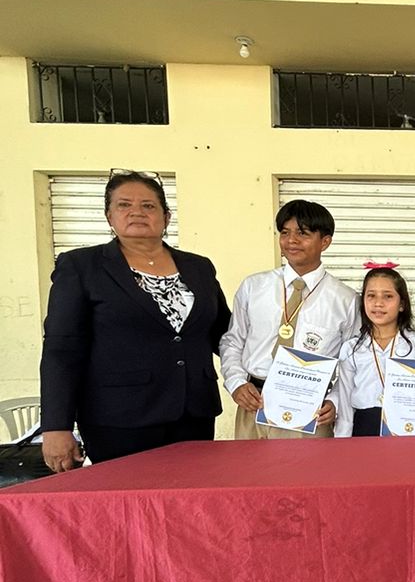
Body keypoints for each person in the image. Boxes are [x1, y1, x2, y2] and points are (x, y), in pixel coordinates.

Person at [40, 171, 231, 469]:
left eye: (148, 206)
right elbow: (61, 350)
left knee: (190, 492)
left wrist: (274, 376)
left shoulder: (198, 267)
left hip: (193, 414)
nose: (137, 212)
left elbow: (224, 333)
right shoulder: (81, 266)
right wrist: (56, 426)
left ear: (166, 217)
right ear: (109, 216)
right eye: (124, 205)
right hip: (119, 420)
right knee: (127, 496)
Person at [220, 199, 359, 440]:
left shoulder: (346, 299)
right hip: (254, 403)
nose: (291, 240)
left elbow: (351, 361)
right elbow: (232, 341)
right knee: (248, 466)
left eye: (302, 233)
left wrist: (335, 400)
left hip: (311, 410)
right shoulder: (254, 287)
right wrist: (236, 383)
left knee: (306, 467)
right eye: (285, 232)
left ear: (325, 242)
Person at [335, 264, 415, 437]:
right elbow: (345, 403)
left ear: (402, 304)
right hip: (364, 428)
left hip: (407, 427)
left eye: (388, 296)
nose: (378, 303)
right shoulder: (351, 348)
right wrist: (342, 440)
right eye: (371, 296)